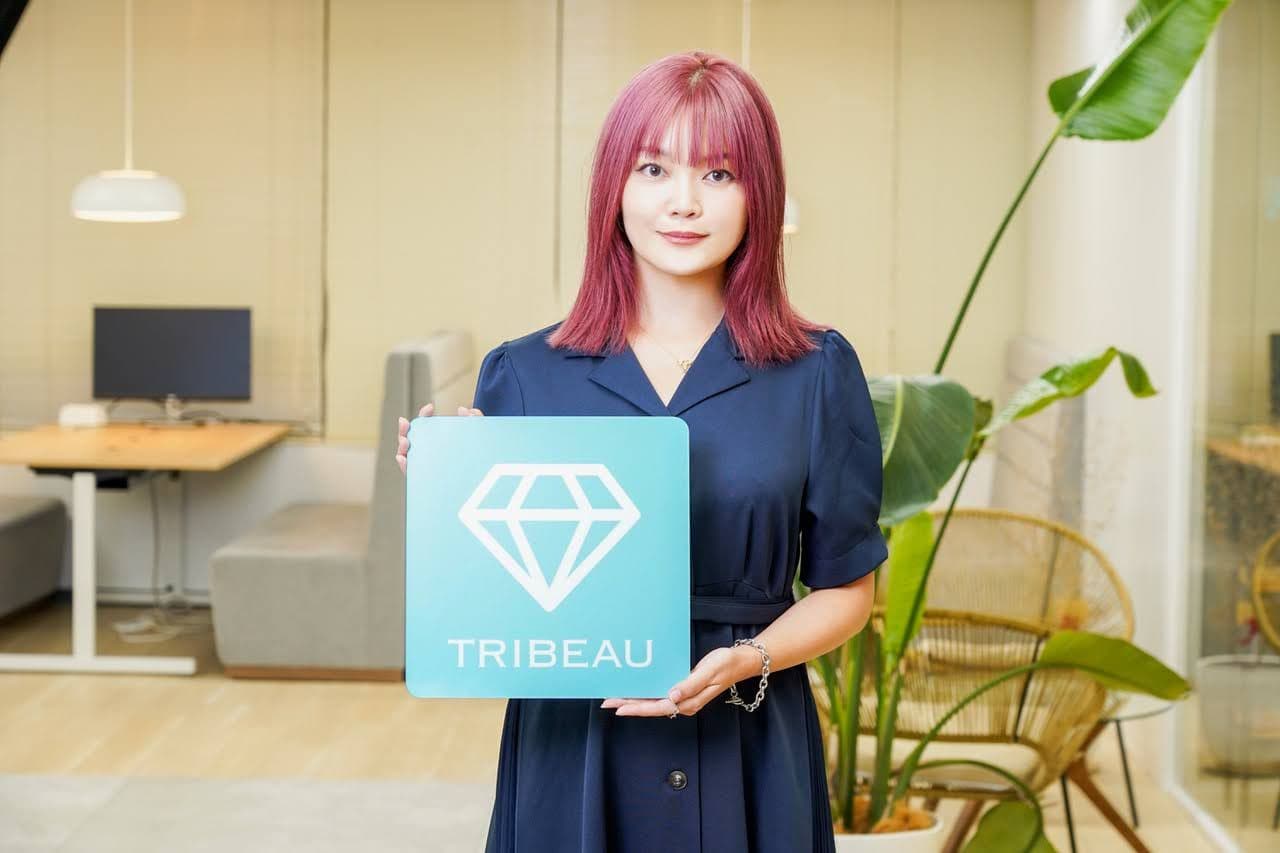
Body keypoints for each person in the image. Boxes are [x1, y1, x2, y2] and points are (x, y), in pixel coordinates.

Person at [395, 50, 886, 853]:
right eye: (655, 168)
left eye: (720, 174)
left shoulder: (817, 370)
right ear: (615, 187)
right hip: (575, 752)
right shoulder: (524, 372)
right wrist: (449, 493)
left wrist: (744, 658)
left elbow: (847, 588)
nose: (684, 202)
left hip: (750, 741)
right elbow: (493, 608)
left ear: (758, 193)